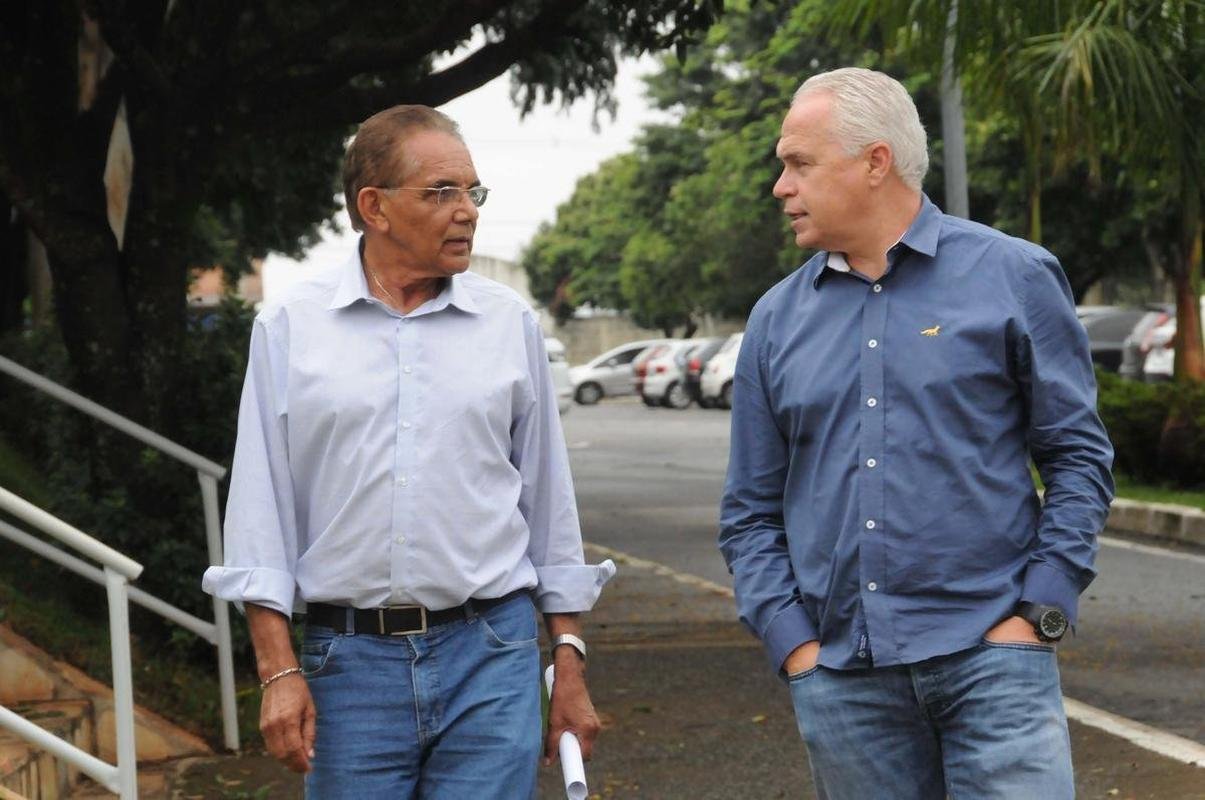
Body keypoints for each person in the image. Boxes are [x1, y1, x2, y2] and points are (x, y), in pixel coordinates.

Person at [718, 67, 1113, 799]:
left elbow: (1078, 456)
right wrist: (793, 646)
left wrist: (1040, 611)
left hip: (994, 661)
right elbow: (748, 510)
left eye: (797, 163)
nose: (780, 186)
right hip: (843, 684)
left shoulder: (1014, 276)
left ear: (874, 162)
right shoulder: (774, 319)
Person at [202, 104, 614, 799]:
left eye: (471, 192)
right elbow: (258, 511)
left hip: (492, 653)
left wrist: (567, 661)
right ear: (375, 207)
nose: (467, 212)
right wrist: (277, 672)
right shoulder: (289, 327)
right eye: (441, 192)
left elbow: (548, 504)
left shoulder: (507, 322)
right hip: (348, 666)